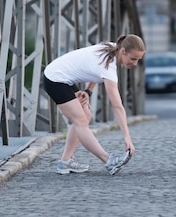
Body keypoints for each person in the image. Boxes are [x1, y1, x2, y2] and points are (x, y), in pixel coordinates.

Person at [43, 34, 145, 175]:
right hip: (55, 79)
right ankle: (108, 160)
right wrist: (127, 137)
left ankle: (65, 161)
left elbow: (93, 68)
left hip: (64, 77)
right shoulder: (109, 68)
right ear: (123, 51)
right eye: (133, 59)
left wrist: (88, 90)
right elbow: (117, 107)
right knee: (80, 121)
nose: (134, 64)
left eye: (138, 60)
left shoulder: (112, 47)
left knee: (85, 116)